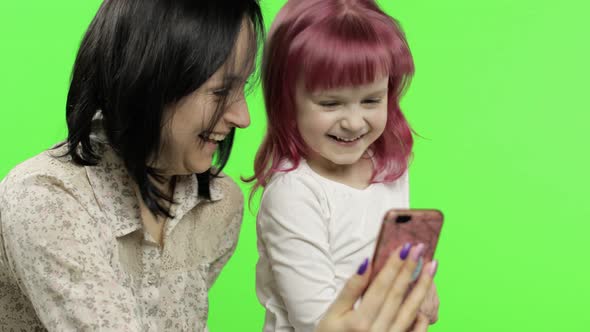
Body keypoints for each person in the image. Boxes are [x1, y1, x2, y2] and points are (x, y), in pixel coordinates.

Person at [0, 0, 437, 331]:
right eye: (219, 91)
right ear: (149, 81)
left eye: (244, 86)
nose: (244, 117)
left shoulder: (217, 203)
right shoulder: (47, 198)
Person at [250, 0, 439, 331]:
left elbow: (396, 268)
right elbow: (316, 322)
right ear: (286, 100)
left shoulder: (387, 167)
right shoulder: (294, 194)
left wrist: (418, 291)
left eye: (371, 100)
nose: (354, 123)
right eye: (330, 102)